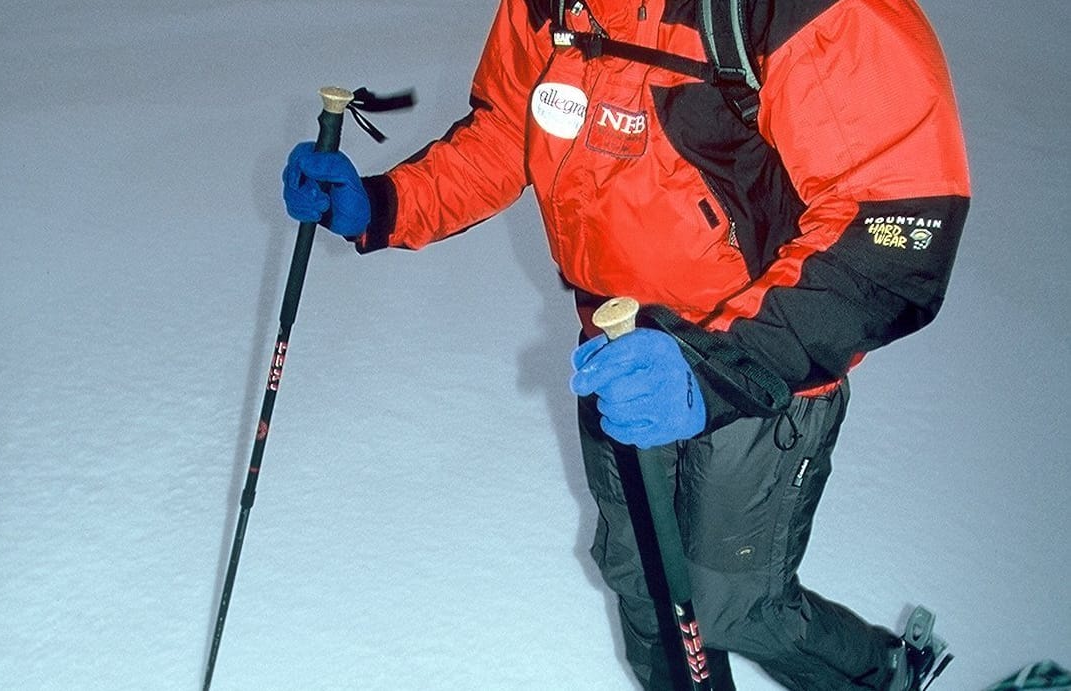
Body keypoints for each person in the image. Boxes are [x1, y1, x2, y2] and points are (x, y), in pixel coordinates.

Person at [281, 0, 970, 688]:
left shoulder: (798, 12)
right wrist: (385, 202)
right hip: (619, 356)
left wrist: (717, 371)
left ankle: (883, 672)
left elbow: (897, 224)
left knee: (731, 607)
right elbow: (507, 132)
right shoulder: (546, 6)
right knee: (642, 584)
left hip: (757, 375)